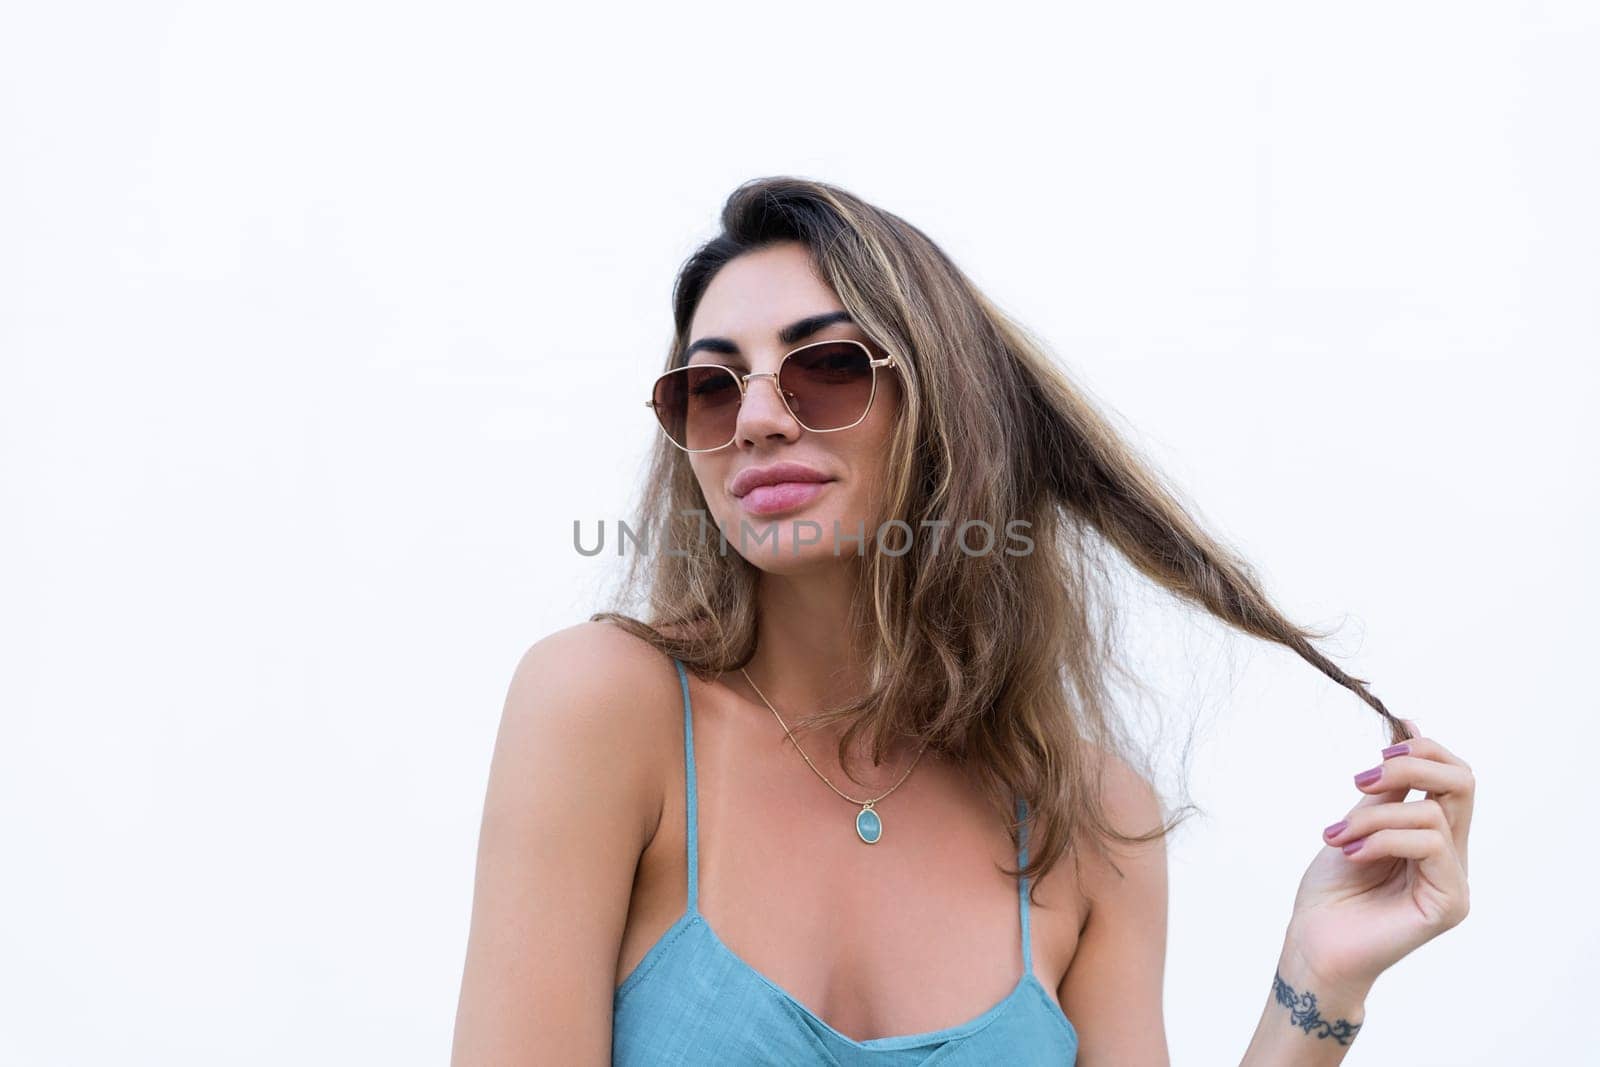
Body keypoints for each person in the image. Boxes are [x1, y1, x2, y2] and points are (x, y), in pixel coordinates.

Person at [449, 177, 1475, 1065]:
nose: (757, 416)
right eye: (709, 388)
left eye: (828, 366)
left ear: (945, 405)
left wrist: (1319, 983)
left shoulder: (1091, 818)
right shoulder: (602, 706)